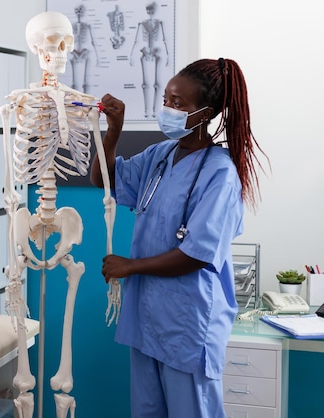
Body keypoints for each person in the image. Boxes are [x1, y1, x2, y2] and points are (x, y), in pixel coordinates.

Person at [90, 58, 267, 418]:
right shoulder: (160, 155)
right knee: (147, 412)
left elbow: (197, 254)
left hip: (187, 321)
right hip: (147, 319)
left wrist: (131, 266)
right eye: (166, 100)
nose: (168, 109)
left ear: (204, 114)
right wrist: (113, 132)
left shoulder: (220, 174)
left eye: (178, 103)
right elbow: (104, 180)